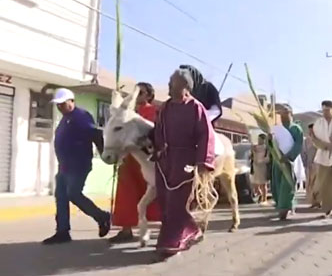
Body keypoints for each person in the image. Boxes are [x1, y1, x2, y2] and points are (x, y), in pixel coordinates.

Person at [152, 68, 215, 258]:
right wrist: (157, 148)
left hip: (185, 160)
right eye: (170, 83)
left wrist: (202, 161)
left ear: (185, 87)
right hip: (165, 160)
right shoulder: (165, 107)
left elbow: (206, 134)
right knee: (164, 200)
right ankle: (188, 230)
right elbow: (158, 130)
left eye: (172, 84)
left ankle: (174, 240)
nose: (169, 87)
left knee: (177, 202)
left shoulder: (196, 108)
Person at [43, 88, 111, 245]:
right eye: (57, 104)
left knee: (73, 194)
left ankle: (102, 217)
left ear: (71, 101)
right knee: (61, 197)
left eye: (62, 103)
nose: (59, 107)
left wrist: (104, 154)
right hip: (65, 166)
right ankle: (62, 232)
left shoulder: (81, 116)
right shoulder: (65, 118)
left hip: (79, 164)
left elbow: (96, 135)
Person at [109, 82, 161, 243]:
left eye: (142, 92)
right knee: (126, 195)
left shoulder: (154, 112)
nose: (138, 96)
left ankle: (161, 227)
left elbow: (154, 133)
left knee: (154, 195)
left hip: (147, 159)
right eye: (136, 92)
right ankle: (126, 229)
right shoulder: (126, 112)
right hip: (128, 160)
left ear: (149, 95)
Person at [270, 105, 304, 220]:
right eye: (281, 114)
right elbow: (271, 144)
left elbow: (298, 144)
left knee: (287, 185)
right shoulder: (277, 129)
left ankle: (285, 208)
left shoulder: (296, 129)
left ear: (291, 114)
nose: (284, 116)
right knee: (277, 185)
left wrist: (289, 156)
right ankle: (283, 205)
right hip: (278, 160)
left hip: (290, 161)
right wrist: (270, 139)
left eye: (286, 113)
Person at [303, 124, 320, 208]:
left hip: (318, 164)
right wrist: (305, 163)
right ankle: (313, 201)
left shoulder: (319, 139)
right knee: (310, 184)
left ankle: (319, 201)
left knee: (318, 183)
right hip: (309, 165)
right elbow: (304, 152)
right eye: (309, 130)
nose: (310, 132)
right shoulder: (306, 140)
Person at [251, 134, 270, 205]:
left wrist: (261, 161)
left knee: (263, 184)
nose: (259, 141)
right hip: (255, 167)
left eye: (261, 139)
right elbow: (251, 156)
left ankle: (264, 199)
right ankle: (260, 194)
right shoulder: (255, 147)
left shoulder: (266, 148)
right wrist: (253, 151)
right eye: (258, 139)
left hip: (262, 167)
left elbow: (268, 158)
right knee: (255, 184)